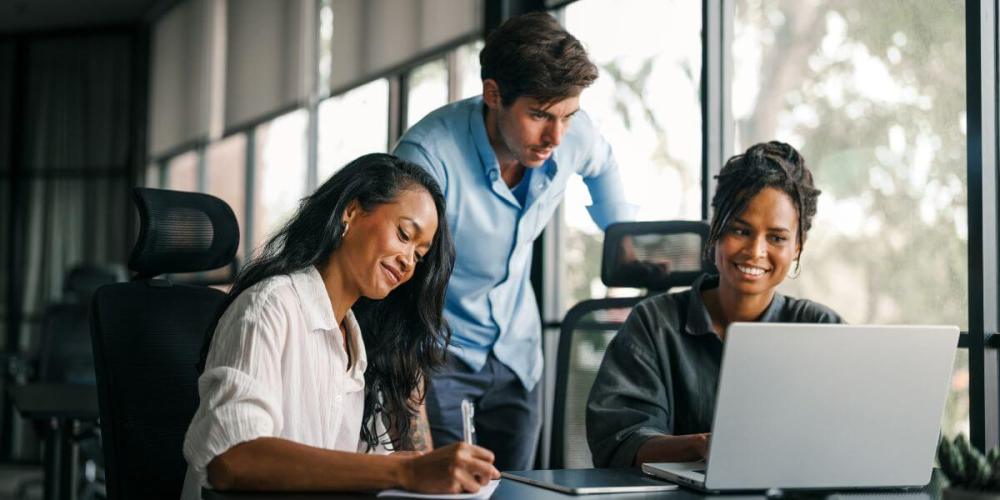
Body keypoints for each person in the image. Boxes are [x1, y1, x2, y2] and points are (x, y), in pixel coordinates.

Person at [392, 12, 635, 471]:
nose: (554, 137)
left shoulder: (568, 136)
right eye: (539, 115)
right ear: (493, 94)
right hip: (439, 356)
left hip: (518, 355)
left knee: (517, 489)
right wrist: (407, 384)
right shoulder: (427, 156)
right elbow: (397, 275)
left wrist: (619, 238)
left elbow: (602, 165)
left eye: (567, 116)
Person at [180, 153, 500, 499]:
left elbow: (368, 473)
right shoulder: (270, 307)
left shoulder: (358, 343)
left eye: (420, 256)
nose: (409, 262)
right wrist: (406, 470)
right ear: (351, 212)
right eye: (404, 235)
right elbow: (231, 459)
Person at [586, 141, 844, 468]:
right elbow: (619, 441)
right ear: (716, 232)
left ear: (797, 247)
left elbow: (849, 432)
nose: (755, 251)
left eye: (776, 238)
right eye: (740, 230)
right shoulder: (654, 324)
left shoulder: (821, 329)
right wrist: (704, 447)